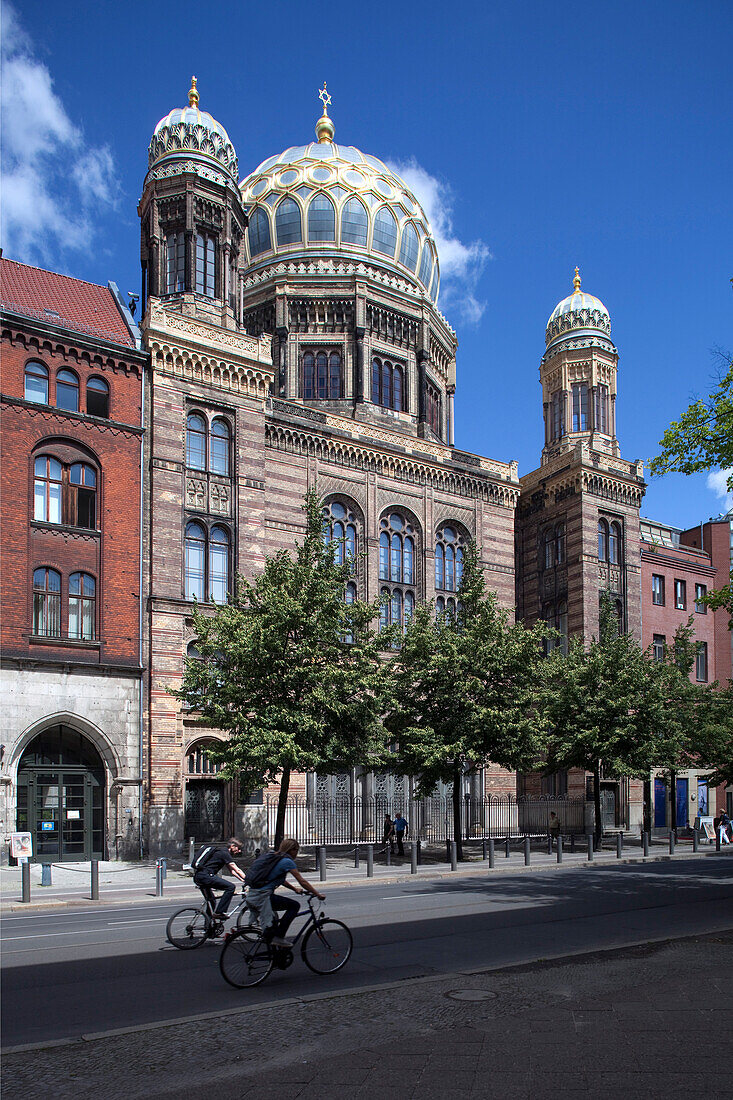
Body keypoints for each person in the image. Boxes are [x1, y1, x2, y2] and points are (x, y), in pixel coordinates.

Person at [245, 837, 325, 947]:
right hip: (263, 897)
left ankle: (274, 955)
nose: (297, 853)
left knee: (271, 928)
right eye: (297, 850)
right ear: (292, 850)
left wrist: (294, 889)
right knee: (294, 906)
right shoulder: (287, 861)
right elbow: (302, 881)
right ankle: (279, 937)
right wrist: (317, 894)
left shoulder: (275, 857)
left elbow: (279, 879)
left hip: (254, 894)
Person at [192, 837, 246, 920]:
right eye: (238, 848)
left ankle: (208, 929)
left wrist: (244, 880)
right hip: (206, 876)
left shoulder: (222, 852)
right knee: (230, 887)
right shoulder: (225, 853)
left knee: (212, 902)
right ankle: (219, 912)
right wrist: (250, 880)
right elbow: (237, 869)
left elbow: (233, 872)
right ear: (232, 846)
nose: (239, 851)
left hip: (200, 876)